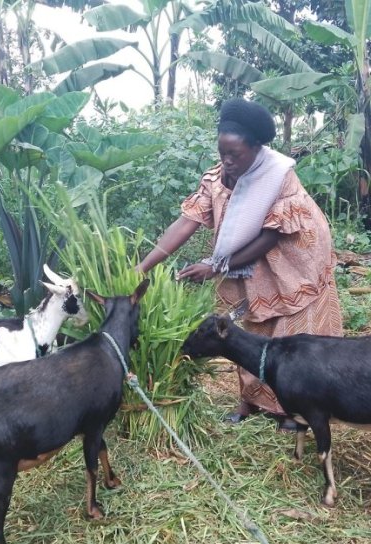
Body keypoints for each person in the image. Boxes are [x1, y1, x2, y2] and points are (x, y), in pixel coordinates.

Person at [137, 98, 343, 431]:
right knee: (248, 330)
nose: (228, 162)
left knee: (292, 335)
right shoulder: (217, 178)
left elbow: (271, 237)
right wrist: (142, 268)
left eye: (236, 155)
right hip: (249, 265)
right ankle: (250, 401)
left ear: (257, 148)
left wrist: (218, 266)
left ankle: (295, 410)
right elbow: (186, 222)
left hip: (294, 259)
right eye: (223, 153)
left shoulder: (278, 176)